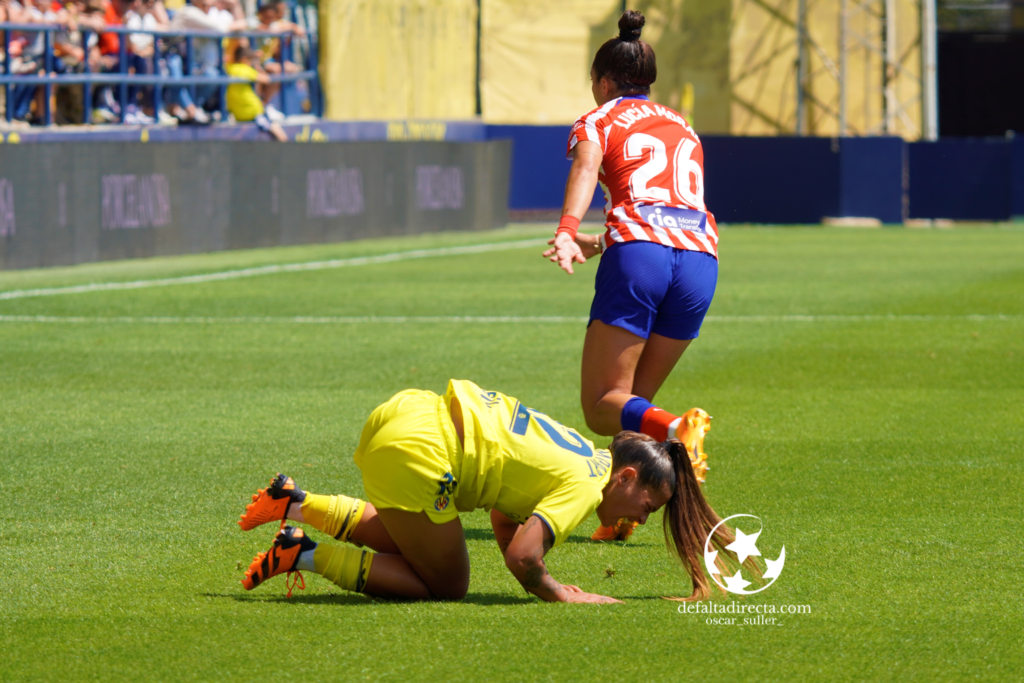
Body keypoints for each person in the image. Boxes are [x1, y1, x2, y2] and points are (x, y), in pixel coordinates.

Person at [236, 379, 749, 603]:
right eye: (646, 507)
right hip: (423, 452)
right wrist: (560, 593)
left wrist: (523, 555)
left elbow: (508, 516)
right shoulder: (590, 484)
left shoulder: (586, 451)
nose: (638, 520)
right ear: (628, 478)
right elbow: (524, 558)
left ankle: (296, 503)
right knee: (447, 584)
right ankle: (301, 554)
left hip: (409, 414)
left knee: (418, 544)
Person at [541, 10, 720, 541]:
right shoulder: (682, 125)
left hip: (643, 256)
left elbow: (585, 167)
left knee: (601, 406)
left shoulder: (598, 118)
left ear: (602, 81)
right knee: (630, 412)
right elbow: (670, 207)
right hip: (700, 262)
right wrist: (602, 242)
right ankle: (619, 518)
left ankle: (679, 430)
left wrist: (569, 229)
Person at [225, 45, 286, 140]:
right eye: (250, 60)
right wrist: (257, 66)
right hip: (254, 113)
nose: (251, 63)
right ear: (244, 59)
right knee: (281, 135)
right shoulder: (245, 69)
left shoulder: (230, 69)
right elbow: (266, 79)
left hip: (237, 115)